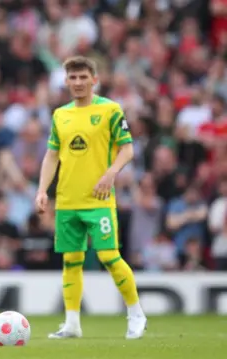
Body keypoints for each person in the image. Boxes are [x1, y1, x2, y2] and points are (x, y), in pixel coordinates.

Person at [35, 56, 147, 340]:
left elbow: (127, 149)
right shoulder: (61, 114)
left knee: (109, 256)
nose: (78, 82)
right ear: (66, 82)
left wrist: (111, 173)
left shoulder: (110, 110)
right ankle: (72, 323)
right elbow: (51, 155)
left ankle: (135, 313)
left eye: (83, 77)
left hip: (98, 200)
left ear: (94, 79)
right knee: (71, 261)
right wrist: (41, 191)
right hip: (67, 200)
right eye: (72, 78)